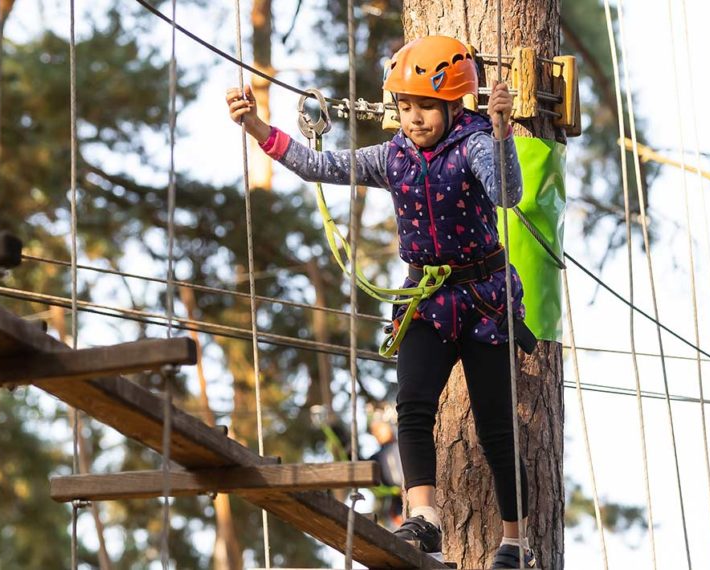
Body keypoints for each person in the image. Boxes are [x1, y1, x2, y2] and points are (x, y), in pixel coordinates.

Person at [226, 35, 536, 569]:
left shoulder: (477, 143)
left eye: (425, 107)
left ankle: (516, 542)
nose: (413, 118)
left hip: (484, 303)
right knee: (412, 406)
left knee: (496, 429)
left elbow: (507, 192)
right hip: (427, 301)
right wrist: (256, 127)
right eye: (406, 106)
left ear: (454, 104)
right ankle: (426, 517)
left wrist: (504, 131)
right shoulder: (391, 157)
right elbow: (316, 165)